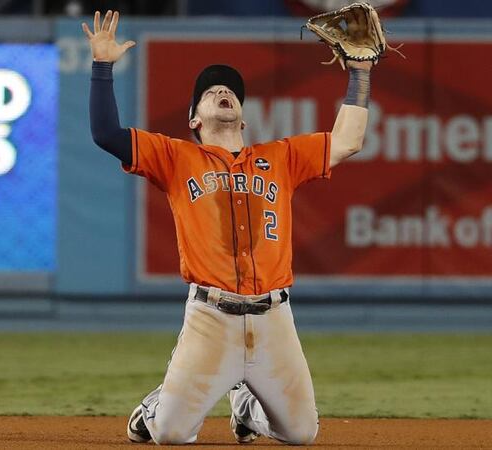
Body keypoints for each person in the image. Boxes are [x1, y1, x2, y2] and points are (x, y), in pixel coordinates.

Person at [82, 9, 372, 446]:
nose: (222, 90)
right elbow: (105, 133)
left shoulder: (280, 157)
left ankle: (246, 406)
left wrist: (361, 73)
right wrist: (102, 66)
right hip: (210, 318)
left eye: (230, 90)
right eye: (210, 90)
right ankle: (156, 407)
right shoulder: (176, 157)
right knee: (171, 435)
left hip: (274, 316)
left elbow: (348, 141)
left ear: (243, 117)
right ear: (194, 119)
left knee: (301, 434)